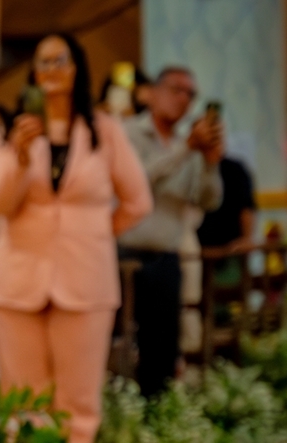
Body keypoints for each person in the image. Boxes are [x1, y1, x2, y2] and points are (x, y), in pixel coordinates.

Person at [0, 34, 152, 443]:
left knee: (78, 397)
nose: (52, 68)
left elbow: (138, 202)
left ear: (77, 67)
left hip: (85, 277)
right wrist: (20, 157)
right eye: (43, 61)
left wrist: (93, 234)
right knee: (24, 395)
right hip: (19, 276)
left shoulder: (105, 131)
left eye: (61, 59)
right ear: (34, 73)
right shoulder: (13, 131)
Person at [118, 65, 223, 396]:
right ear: (154, 93)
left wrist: (210, 162)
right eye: (177, 90)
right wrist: (186, 150)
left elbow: (209, 200)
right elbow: (135, 183)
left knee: (163, 348)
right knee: (118, 345)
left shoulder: (188, 144)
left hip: (168, 255)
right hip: (124, 256)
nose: (183, 99)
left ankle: (159, 424)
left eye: (190, 94)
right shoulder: (127, 133)